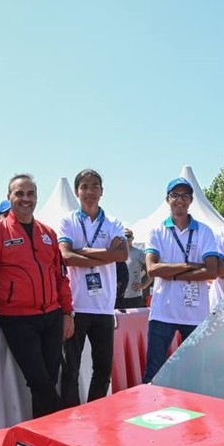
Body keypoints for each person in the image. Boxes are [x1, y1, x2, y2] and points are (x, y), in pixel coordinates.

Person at [0, 174, 74, 418]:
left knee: (48, 380)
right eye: (19, 193)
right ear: (9, 197)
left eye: (30, 194)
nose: (25, 199)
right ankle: (57, 426)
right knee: (40, 383)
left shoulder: (48, 234)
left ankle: (42, 437)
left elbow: (61, 277)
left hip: (52, 316)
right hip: (17, 319)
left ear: (36, 197)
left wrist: (67, 313)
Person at [57, 168, 127, 407]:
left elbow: (122, 254)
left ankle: (94, 414)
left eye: (94, 186)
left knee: (103, 370)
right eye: (84, 187)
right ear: (77, 191)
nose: (90, 192)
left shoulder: (113, 222)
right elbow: (65, 256)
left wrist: (82, 252)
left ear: (102, 191)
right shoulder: (68, 220)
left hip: (104, 309)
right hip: (77, 306)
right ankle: (70, 418)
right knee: (70, 371)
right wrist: (106, 254)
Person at [142, 178, 222, 384]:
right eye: (175, 195)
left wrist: (170, 272)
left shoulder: (204, 231)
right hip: (163, 312)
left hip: (194, 314)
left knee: (192, 376)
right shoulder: (157, 231)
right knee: (154, 374)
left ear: (191, 200)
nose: (180, 200)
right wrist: (192, 265)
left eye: (185, 195)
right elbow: (152, 269)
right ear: (167, 199)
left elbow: (211, 271)